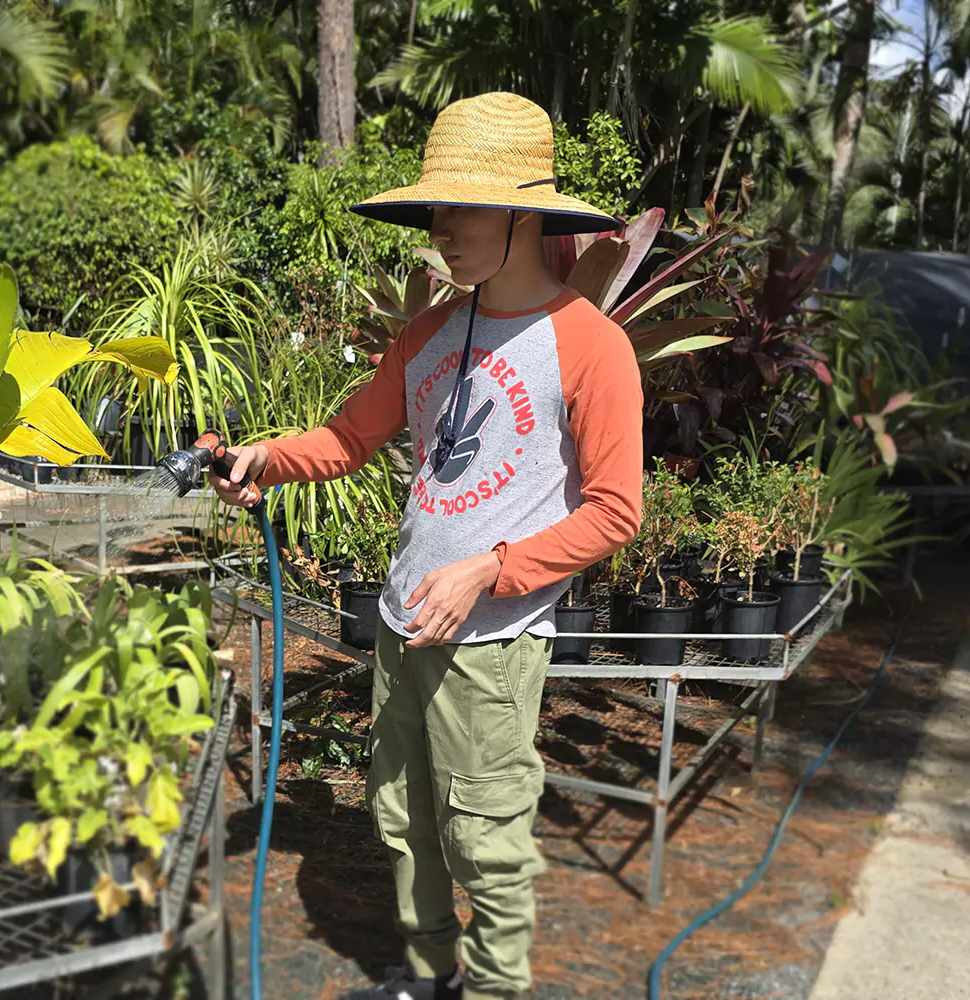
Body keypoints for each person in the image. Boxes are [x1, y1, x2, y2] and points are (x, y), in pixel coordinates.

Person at [212, 91, 645, 1000]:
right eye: (435, 211)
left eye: (462, 209)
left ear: (526, 215)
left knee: (486, 838)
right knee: (404, 818)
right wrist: (264, 458)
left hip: (490, 645)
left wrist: (492, 570)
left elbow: (616, 511)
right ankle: (427, 975)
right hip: (404, 624)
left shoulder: (590, 347)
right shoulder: (427, 335)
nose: (442, 232)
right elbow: (345, 441)